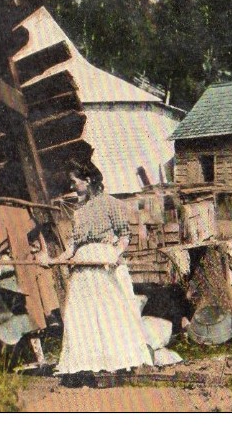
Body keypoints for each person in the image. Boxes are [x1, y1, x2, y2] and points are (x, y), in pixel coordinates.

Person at [45, 162, 153, 380]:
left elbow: (124, 236)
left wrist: (114, 256)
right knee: (84, 316)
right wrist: (53, 260)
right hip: (83, 270)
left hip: (104, 264)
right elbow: (72, 248)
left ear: (88, 180)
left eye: (75, 182)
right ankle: (89, 363)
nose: (73, 187)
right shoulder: (79, 213)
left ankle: (117, 362)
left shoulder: (112, 204)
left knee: (109, 313)